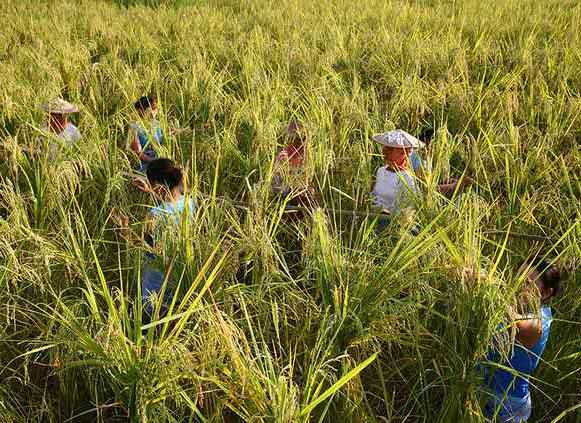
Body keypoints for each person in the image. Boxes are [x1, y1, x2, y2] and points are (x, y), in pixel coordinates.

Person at [113, 158, 195, 320]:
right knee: (172, 313)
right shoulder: (189, 202)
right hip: (179, 271)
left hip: (157, 278)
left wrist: (124, 229)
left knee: (153, 315)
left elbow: (144, 246)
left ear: (158, 185)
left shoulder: (154, 215)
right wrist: (150, 192)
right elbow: (170, 208)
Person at [482, 257, 563, 422]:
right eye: (517, 278)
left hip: (507, 407)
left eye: (527, 282)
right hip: (483, 394)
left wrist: (483, 285)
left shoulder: (539, 321)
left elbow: (515, 320)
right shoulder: (517, 305)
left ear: (546, 292)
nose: (518, 286)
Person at [272, 121, 318, 216]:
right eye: (299, 138)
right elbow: (276, 183)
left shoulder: (309, 155)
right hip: (287, 195)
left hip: (303, 194)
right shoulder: (284, 155)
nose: (303, 141)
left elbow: (311, 178)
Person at [371, 129, 422, 214]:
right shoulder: (380, 171)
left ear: (403, 155)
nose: (386, 153)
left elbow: (410, 206)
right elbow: (375, 196)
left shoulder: (407, 178)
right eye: (386, 149)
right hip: (374, 217)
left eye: (392, 151)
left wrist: (389, 214)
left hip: (392, 221)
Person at [127, 94, 164, 172]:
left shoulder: (157, 124)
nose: (154, 112)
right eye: (151, 108)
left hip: (160, 159)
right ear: (141, 110)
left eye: (155, 109)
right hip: (146, 163)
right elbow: (139, 154)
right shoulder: (134, 127)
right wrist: (155, 161)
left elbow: (163, 143)